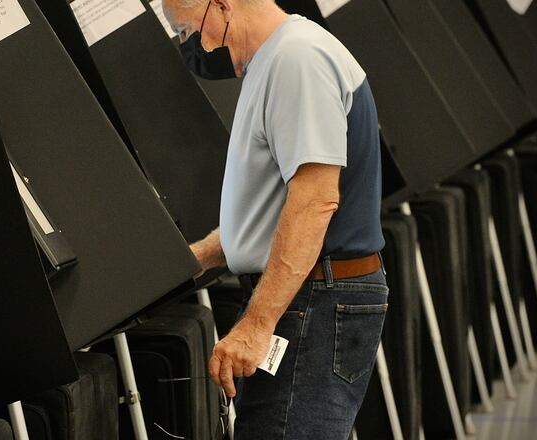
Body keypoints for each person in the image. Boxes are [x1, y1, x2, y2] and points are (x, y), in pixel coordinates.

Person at [163, 0, 388, 438]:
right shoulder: (275, 58)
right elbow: (272, 210)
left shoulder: (296, 59)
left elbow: (314, 201)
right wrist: (198, 258)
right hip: (309, 294)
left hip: (315, 299)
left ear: (223, 6)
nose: (190, 46)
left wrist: (256, 324)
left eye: (187, 30)